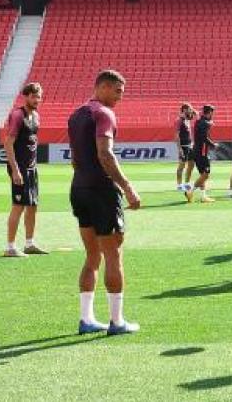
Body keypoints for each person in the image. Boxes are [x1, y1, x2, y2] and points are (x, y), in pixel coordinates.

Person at [70, 70, 143, 335]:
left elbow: (75, 158)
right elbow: (105, 152)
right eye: (118, 91)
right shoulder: (104, 113)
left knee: (92, 255)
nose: (120, 97)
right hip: (101, 190)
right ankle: (117, 321)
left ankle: (86, 319)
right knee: (113, 255)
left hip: (79, 187)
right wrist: (128, 187)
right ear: (103, 87)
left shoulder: (77, 114)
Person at [3, 82, 46, 257]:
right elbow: (8, 143)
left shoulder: (35, 115)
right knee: (18, 206)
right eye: (34, 96)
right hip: (19, 168)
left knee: (32, 206)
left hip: (31, 168)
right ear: (26, 97)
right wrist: (15, 170)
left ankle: (29, 243)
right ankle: (10, 247)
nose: (37, 99)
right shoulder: (17, 115)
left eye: (39, 96)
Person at [186, 105, 217, 204]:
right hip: (202, 152)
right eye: (212, 113)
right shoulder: (205, 123)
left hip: (197, 151)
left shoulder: (199, 121)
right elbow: (204, 137)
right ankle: (190, 191)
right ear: (210, 113)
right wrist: (213, 145)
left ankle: (203, 196)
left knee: (202, 175)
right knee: (206, 174)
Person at [175, 103, 196, 193]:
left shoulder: (187, 119)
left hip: (190, 145)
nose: (191, 111)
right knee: (181, 166)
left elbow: (195, 114)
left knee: (191, 164)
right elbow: (177, 136)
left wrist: (193, 111)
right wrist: (179, 149)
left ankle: (187, 183)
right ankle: (179, 185)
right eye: (189, 109)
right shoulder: (179, 120)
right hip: (183, 146)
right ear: (184, 110)